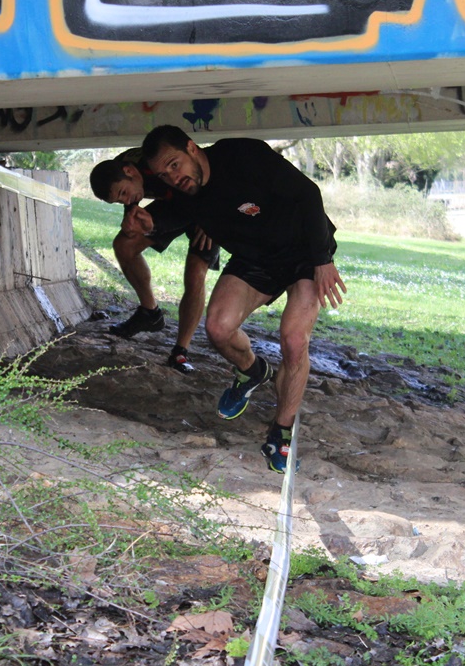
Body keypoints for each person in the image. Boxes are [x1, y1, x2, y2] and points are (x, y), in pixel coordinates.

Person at [141, 125, 346, 473]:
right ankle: (252, 372)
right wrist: (148, 221)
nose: (173, 178)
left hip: (304, 252)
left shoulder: (242, 155)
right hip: (257, 260)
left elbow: (308, 194)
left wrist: (322, 258)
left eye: (174, 165)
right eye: (164, 174)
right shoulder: (187, 193)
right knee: (217, 327)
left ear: (192, 148)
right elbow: (170, 215)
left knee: (294, 341)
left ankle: (280, 433)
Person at [89, 148, 220, 373]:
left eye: (123, 193)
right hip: (173, 205)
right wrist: (130, 225)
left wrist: (214, 219)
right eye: (119, 200)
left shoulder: (157, 162)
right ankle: (150, 313)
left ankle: (181, 350)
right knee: (123, 244)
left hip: (206, 204)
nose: (126, 200)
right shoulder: (122, 169)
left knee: (195, 272)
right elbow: (134, 214)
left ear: (130, 172)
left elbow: (207, 179)